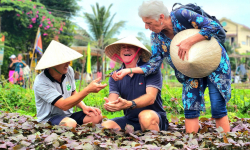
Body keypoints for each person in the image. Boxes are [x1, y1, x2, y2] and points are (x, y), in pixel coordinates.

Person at [112, 0, 231, 133]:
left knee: (217, 105)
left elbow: (214, 26)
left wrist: (188, 41)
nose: (146, 27)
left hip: (213, 62)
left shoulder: (182, 15)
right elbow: (153, 64)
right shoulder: (156, 37)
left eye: (149, 23)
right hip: (189, 70)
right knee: (190, 105)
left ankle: (226, 142)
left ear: (161, 17)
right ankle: (191, 141)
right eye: (144, 23)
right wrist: (128, 70)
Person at [34, 40, 107, 127]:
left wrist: (84, 107)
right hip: (48, 119)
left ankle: (76, 130)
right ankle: (75, 128)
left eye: (68, 60)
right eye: (64, 61)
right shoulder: (41, 81)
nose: (68, 63)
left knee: (96, 116)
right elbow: (63, 105)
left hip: (68, 116)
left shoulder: (69, 71)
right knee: (70, 123)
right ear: (52, 64)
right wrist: (88, 90)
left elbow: (73, 93)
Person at [102, 36, 169, 131]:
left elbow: (151, 98)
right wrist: (110, 105)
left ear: (139, 52)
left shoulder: (151, 71)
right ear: (120, 53)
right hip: (130, 119)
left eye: (130, 46)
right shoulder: (115, 76)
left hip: (153, 117)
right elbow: (112, 99)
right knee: (105, 126)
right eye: (123, 47)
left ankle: (154, 145)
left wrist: (129, 104)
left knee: (145, 116)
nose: (126, 49)